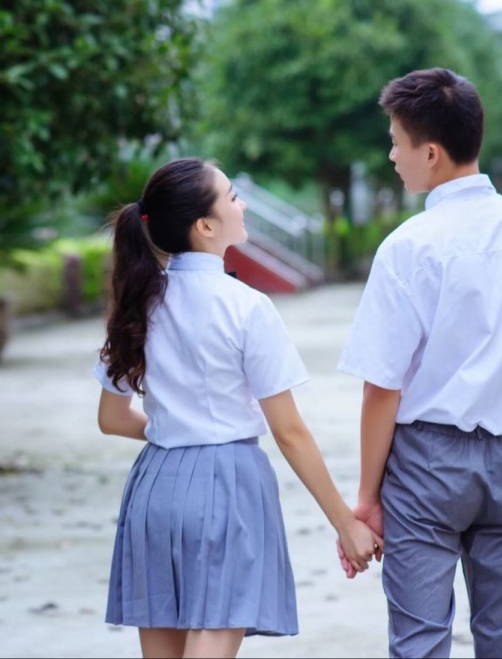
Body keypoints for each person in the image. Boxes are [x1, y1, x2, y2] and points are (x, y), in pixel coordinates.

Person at [336, 68, 502, 658]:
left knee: (419, 641)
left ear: (430, 152)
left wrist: (368, 497)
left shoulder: (408, 246)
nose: (392, 155)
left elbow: (382, 388)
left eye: (396, 142)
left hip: (427, 464)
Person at [94, 157, 382, 659]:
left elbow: (112, 418)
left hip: (153, 485)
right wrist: (346, 522)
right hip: (226, 484)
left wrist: (175, 429)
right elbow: (289, 432)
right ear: (205, 226)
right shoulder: (246, 306)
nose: (242, 203)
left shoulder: (138, 303)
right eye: (231, 196)